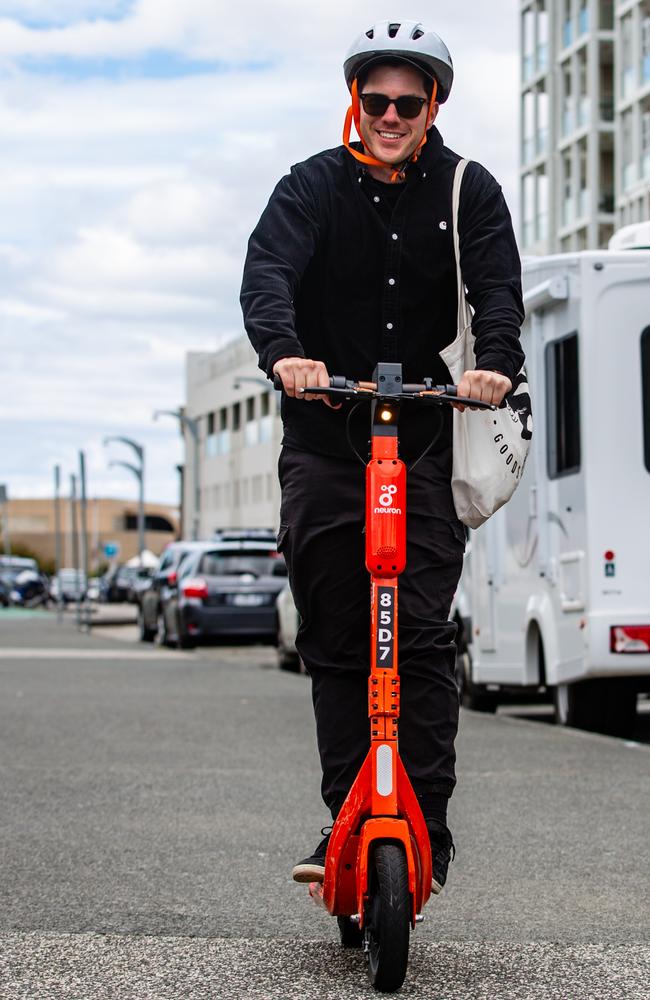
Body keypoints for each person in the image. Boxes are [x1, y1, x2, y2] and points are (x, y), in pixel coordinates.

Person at [240, 19, 524, 893]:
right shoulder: (310, 187)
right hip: (329, 439)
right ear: (355, 103)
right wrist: (287, 353)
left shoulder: (467, 189)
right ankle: (345, 815)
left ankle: (425, 828)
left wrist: (494, 367)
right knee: (335, 635)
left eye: (409, 101)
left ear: (433, 104)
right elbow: (269, 275)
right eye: (377, 101)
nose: (392, 114)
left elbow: (497, 289)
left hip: (428, 437)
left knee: (425, 641)